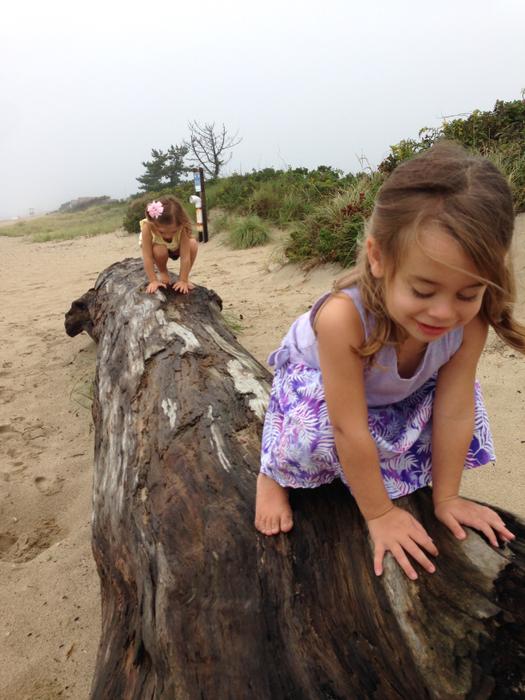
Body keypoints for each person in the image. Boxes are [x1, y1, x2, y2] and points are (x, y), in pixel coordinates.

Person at [255, 142, 525, 581]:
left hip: (397, 392)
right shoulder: (344, 318)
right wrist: (379, 513)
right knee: (317, 436)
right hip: (322, 389)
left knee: (468, 410)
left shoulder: (469, 323)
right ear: (379, 258)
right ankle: (271, 473)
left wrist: (447, 498)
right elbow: (348, 425)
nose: (444, 313)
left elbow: (454, 409)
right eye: (423, 291)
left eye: (467, 293)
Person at [140, 195, 198, 294]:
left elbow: (185, 257)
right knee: (160, 249)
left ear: (180, 224)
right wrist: (153, 281)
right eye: (162, 232)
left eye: (174, 231)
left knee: (192, 244)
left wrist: (183, 280)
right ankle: (163, 271)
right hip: (158, 251)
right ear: (153, 223)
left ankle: (184, 277)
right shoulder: (148, 226)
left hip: (176, 248)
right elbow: (147, 257)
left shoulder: (182, 226)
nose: (168, 236)